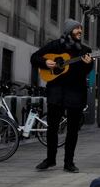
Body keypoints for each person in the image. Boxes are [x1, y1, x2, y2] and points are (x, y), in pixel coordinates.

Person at [31, 19, 93, 173]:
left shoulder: (85, 50)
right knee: (52, 127)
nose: (80, 30)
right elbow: (34, 57)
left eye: (81, 28)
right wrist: (46, 63)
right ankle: (50, 159)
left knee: (73, 130)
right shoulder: (55, 45)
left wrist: (88, 63)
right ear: (68, 30)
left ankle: (69, 162)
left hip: (76, 92)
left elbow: (87, 70)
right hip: (56, 92)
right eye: (77, 28)